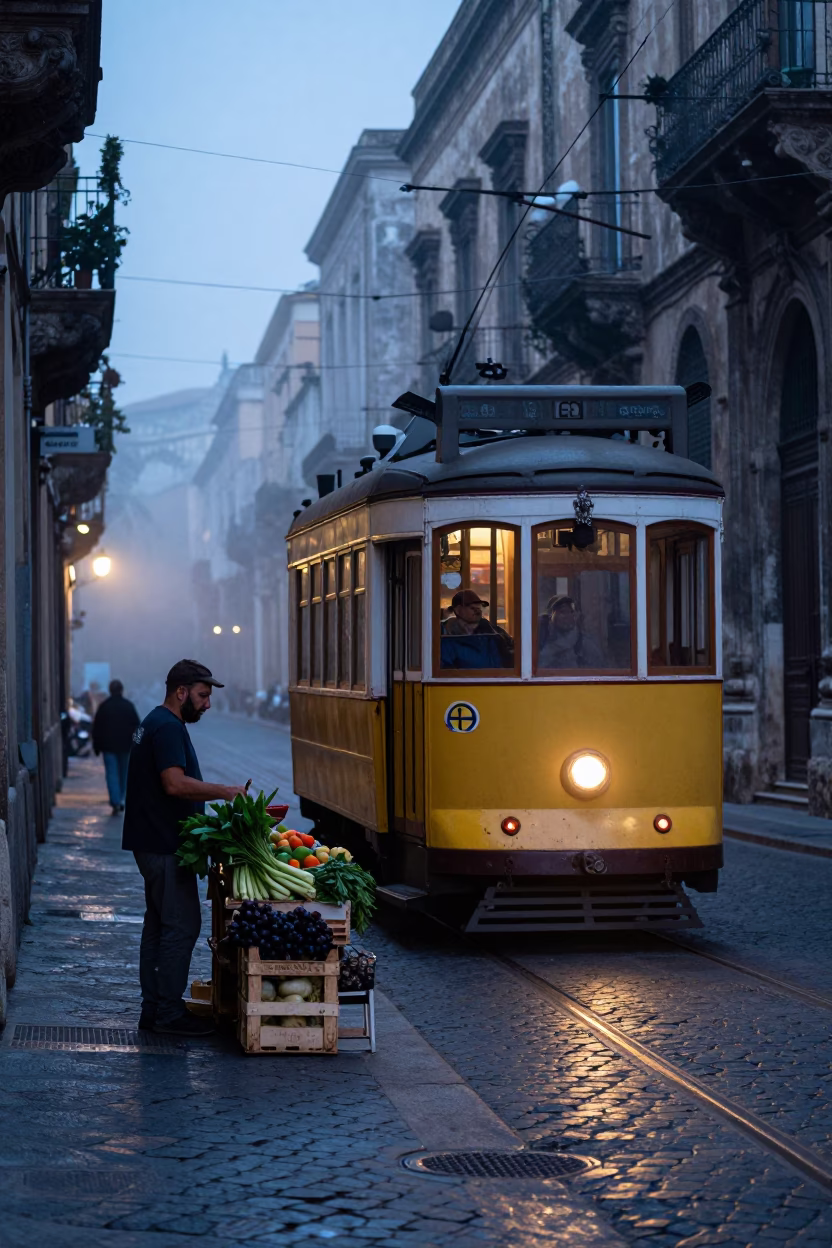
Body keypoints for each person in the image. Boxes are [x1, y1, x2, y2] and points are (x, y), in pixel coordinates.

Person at [122, 659, 248, 1038]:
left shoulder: (155, 723)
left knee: (159, 927)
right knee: (181, 926)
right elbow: (174, 784)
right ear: (182, 692)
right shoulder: (167, 728)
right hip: (162, 845)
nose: (207, 704)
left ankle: (154, 1009)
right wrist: (226, 791)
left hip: (153, 842)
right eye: (203, 695)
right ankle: (167, 1014)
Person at [92, 679, 140, 815]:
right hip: (126, 747)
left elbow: (97, 728)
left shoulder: (104, 706)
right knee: (124, 774)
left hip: (108, 747)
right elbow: (138, 727)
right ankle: (122, 799)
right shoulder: (128, 706)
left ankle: (115, 801)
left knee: (112, 774)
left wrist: (96, 745)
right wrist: (137, 744)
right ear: (122, 690)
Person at [441, 589, 514, 667]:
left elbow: (510, 651)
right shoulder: (444, 635)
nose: (478, 612)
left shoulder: (493, 631)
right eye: (473, 608)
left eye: (479, 608)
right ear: (458, 610)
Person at [538, 594, 607, 669]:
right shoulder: (539, 638)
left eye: (571, 612)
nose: (568, 616)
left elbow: (599, 671)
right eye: (562, 612)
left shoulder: (584, 644)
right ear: (551, 614)